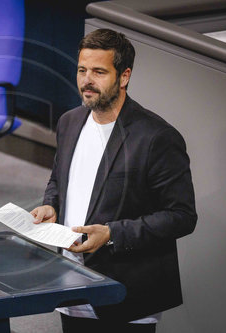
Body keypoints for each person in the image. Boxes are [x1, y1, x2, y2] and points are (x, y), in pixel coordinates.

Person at [30, 28, 197, 333]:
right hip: (70, 285)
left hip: (126, 295)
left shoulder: (157, 137)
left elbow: (182, 216)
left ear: (124, 76)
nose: (86, 80)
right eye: (82, 70)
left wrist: (110, 234)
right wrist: (51, 205)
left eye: (98, 71)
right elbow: (59, 179)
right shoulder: (69, 122)